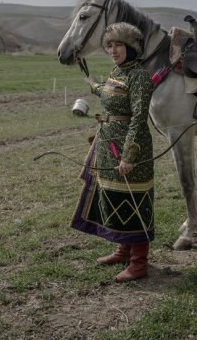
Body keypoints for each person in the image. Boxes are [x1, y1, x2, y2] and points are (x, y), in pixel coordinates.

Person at [70, 22, 155, 282]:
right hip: (108, 144)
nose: (113, 50)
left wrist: (129, 155)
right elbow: (108, 90)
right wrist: (93, 85)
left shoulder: (139, 76)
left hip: (130, 147)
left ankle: (139, 264)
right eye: (109, 45)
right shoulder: (117, 71)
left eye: (119, 45)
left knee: (134, 201)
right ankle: (122, 250)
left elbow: (139, 118)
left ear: (131, 48)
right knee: (113, 197)